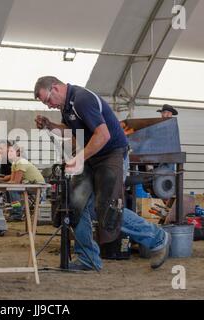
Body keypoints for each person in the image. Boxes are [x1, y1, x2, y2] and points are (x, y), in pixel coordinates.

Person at [34, 76, 171, 271]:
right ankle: (88, 258)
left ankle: (158, 238)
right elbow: (72, 131)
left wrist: (79, 158)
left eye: (47, 100)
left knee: (108, 209)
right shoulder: (66, 107)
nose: (48, 106)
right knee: (75, 206)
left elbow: (103, 135)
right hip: (94, 156)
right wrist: (51, 125)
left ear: (55, 88)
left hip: (112, 154)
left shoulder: (82, 99)